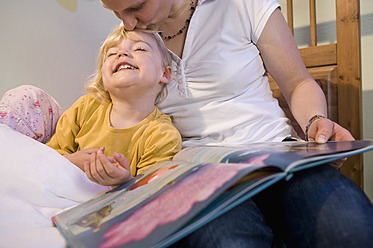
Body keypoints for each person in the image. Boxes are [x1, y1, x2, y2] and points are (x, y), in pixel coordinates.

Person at [99, 0, 373, 247]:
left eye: (135, 8)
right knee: (226, 242)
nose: (127, 23)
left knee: (350, 225)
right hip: (195, 175)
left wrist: (316, 120)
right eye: (114, 12)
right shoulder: (132, 42)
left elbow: (298, 82)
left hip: (276, 154)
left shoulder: (242, 5)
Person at [1, 26, 182, 188]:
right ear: (103, 78)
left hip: (101, 205)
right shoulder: (86, 107)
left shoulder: (162, 135)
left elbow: (152, 190)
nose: (122, 54)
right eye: (112, 54)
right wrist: (71, 162)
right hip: (64, 183)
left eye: (140, 49)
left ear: (165, 74)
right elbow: (51, 154)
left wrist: (125, 181)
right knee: (25, 96)